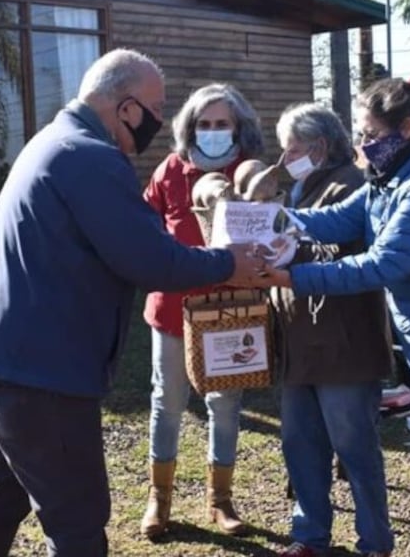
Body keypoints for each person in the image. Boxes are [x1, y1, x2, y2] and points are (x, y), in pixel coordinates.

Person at [0, 49, 266, 557]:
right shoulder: (91, 158)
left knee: (3, 492)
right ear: (126, 107)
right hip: (42, 374)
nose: (160, 123)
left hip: (3, 360)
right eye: (156, 109)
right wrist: (228, 263)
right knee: (78, 523)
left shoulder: (53, 141)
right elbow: (150, 259)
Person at [252, 79, 410, 557]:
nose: (363, 145)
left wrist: (290, 279)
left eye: (370, 134)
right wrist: (277, 220)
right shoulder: (396, 174)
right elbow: (341, 219)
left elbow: (381, 265)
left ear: (406, 128)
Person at [139, 83, 265, 539]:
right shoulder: (171, 170)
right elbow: (143, 225)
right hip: (173, 309)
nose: (212, 132)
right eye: (204, 124)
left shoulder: (251, 174)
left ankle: (221, 501)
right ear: (189, 128)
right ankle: (159, 499)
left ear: (238, 128)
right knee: (167, 403)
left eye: (221, 124)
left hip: (232, 308)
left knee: (226, 402)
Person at [270, 103, 394, 557]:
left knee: (355, 448)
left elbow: (341, 252)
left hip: (344, 344)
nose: (286, 159)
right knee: (300, 445)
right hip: (300, 341)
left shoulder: (353, 186)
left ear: (319, 147)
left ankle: (375, 544)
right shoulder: (300, 187)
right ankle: (309, 536)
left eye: (292, 149)